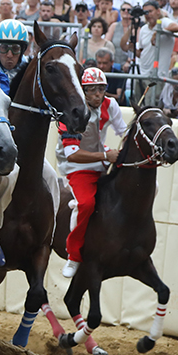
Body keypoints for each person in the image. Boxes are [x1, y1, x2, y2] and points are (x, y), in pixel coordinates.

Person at [58, 66, 127, 278]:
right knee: (85, 204)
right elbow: (72, 154)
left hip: (101, 159)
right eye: (92, 90)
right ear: (83, 90)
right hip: (77, 166)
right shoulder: (69, 110)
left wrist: (124, 151)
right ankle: (73, 255)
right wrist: (106, 156)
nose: (98, 94)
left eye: (101, 89)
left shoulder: (111, 104)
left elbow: (124, 132)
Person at [0, 18, 30, 91]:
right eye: (4, 48)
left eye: (15, 49)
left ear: (22, 50)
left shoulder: (27, 68)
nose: (9, 55)